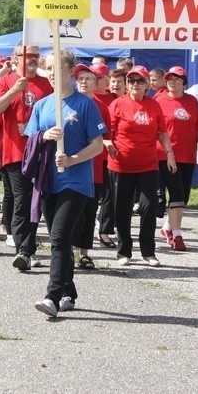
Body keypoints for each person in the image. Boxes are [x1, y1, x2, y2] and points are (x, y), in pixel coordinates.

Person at [27, 50, 106, 318]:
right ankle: (69, 291)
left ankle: (52, 296)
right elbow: (30, 142)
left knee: (60, 237)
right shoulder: (41, 105)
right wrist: (44, 136)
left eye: (56, 68)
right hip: (49, 181)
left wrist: (72, 159)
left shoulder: (85, 105)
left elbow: (97, 146)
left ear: (69, 71)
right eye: (47, 68)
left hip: (76, 181)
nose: (50, 73)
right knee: (58, 240)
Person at [0, 43, 53, 269]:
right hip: (15, 152)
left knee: (38, 201)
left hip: (42, 152)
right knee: (22, 200)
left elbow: (57, 113)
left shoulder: (47, 84)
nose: (33, 59)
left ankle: (29, 247)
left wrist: (35, 128)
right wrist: (14, 90)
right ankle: (23, 250)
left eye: (36, 55)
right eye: (27, 55)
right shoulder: (6, 82)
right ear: (15, 59)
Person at [107, 65, 176, 267]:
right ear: (127, 84)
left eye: (140, 81)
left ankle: (148, 252)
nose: (135, 84)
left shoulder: (154, 106)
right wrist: (108, 143)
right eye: (131, 81)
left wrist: (169, 155)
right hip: (120, 165)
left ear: (147, 84)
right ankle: (124, 252)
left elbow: (162, 133)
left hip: (148, 165)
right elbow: (106, 134)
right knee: (122, 209)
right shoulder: (118, 104)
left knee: (148, 207)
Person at [154, 66, 198, 251]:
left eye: (177, 79)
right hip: (164, 155)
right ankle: (177, 235)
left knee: (183, 196)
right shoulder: (159, 100)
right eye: (169, 78)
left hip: (188, 155)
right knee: (176, 194)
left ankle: (168, 227)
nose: (172, 82)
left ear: (184, 82)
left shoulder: (192, 101)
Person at [70, 63, 113, 270]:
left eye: (88, 78)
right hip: (71, 168)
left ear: (96, 83)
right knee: (70, 212)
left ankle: (84, 253)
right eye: (80, 79)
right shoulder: (67, 104)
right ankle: (66, 250)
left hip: (93, 169)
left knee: (89, 211)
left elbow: (105, 136)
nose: (84, 82)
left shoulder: (101, 108)